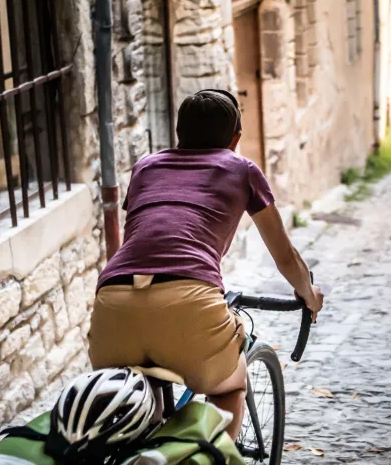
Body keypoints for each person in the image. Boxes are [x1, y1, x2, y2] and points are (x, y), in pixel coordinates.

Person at [88, 89, 324, 439]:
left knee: (141, 404)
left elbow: (143, 237)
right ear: (235, 139)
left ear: (179, 133)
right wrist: (309, 294)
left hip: (112, 305)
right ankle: (214, 455)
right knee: (229, 386)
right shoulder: (241, 169)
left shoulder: (145, 167)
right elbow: (285, 256)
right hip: (190, 301)